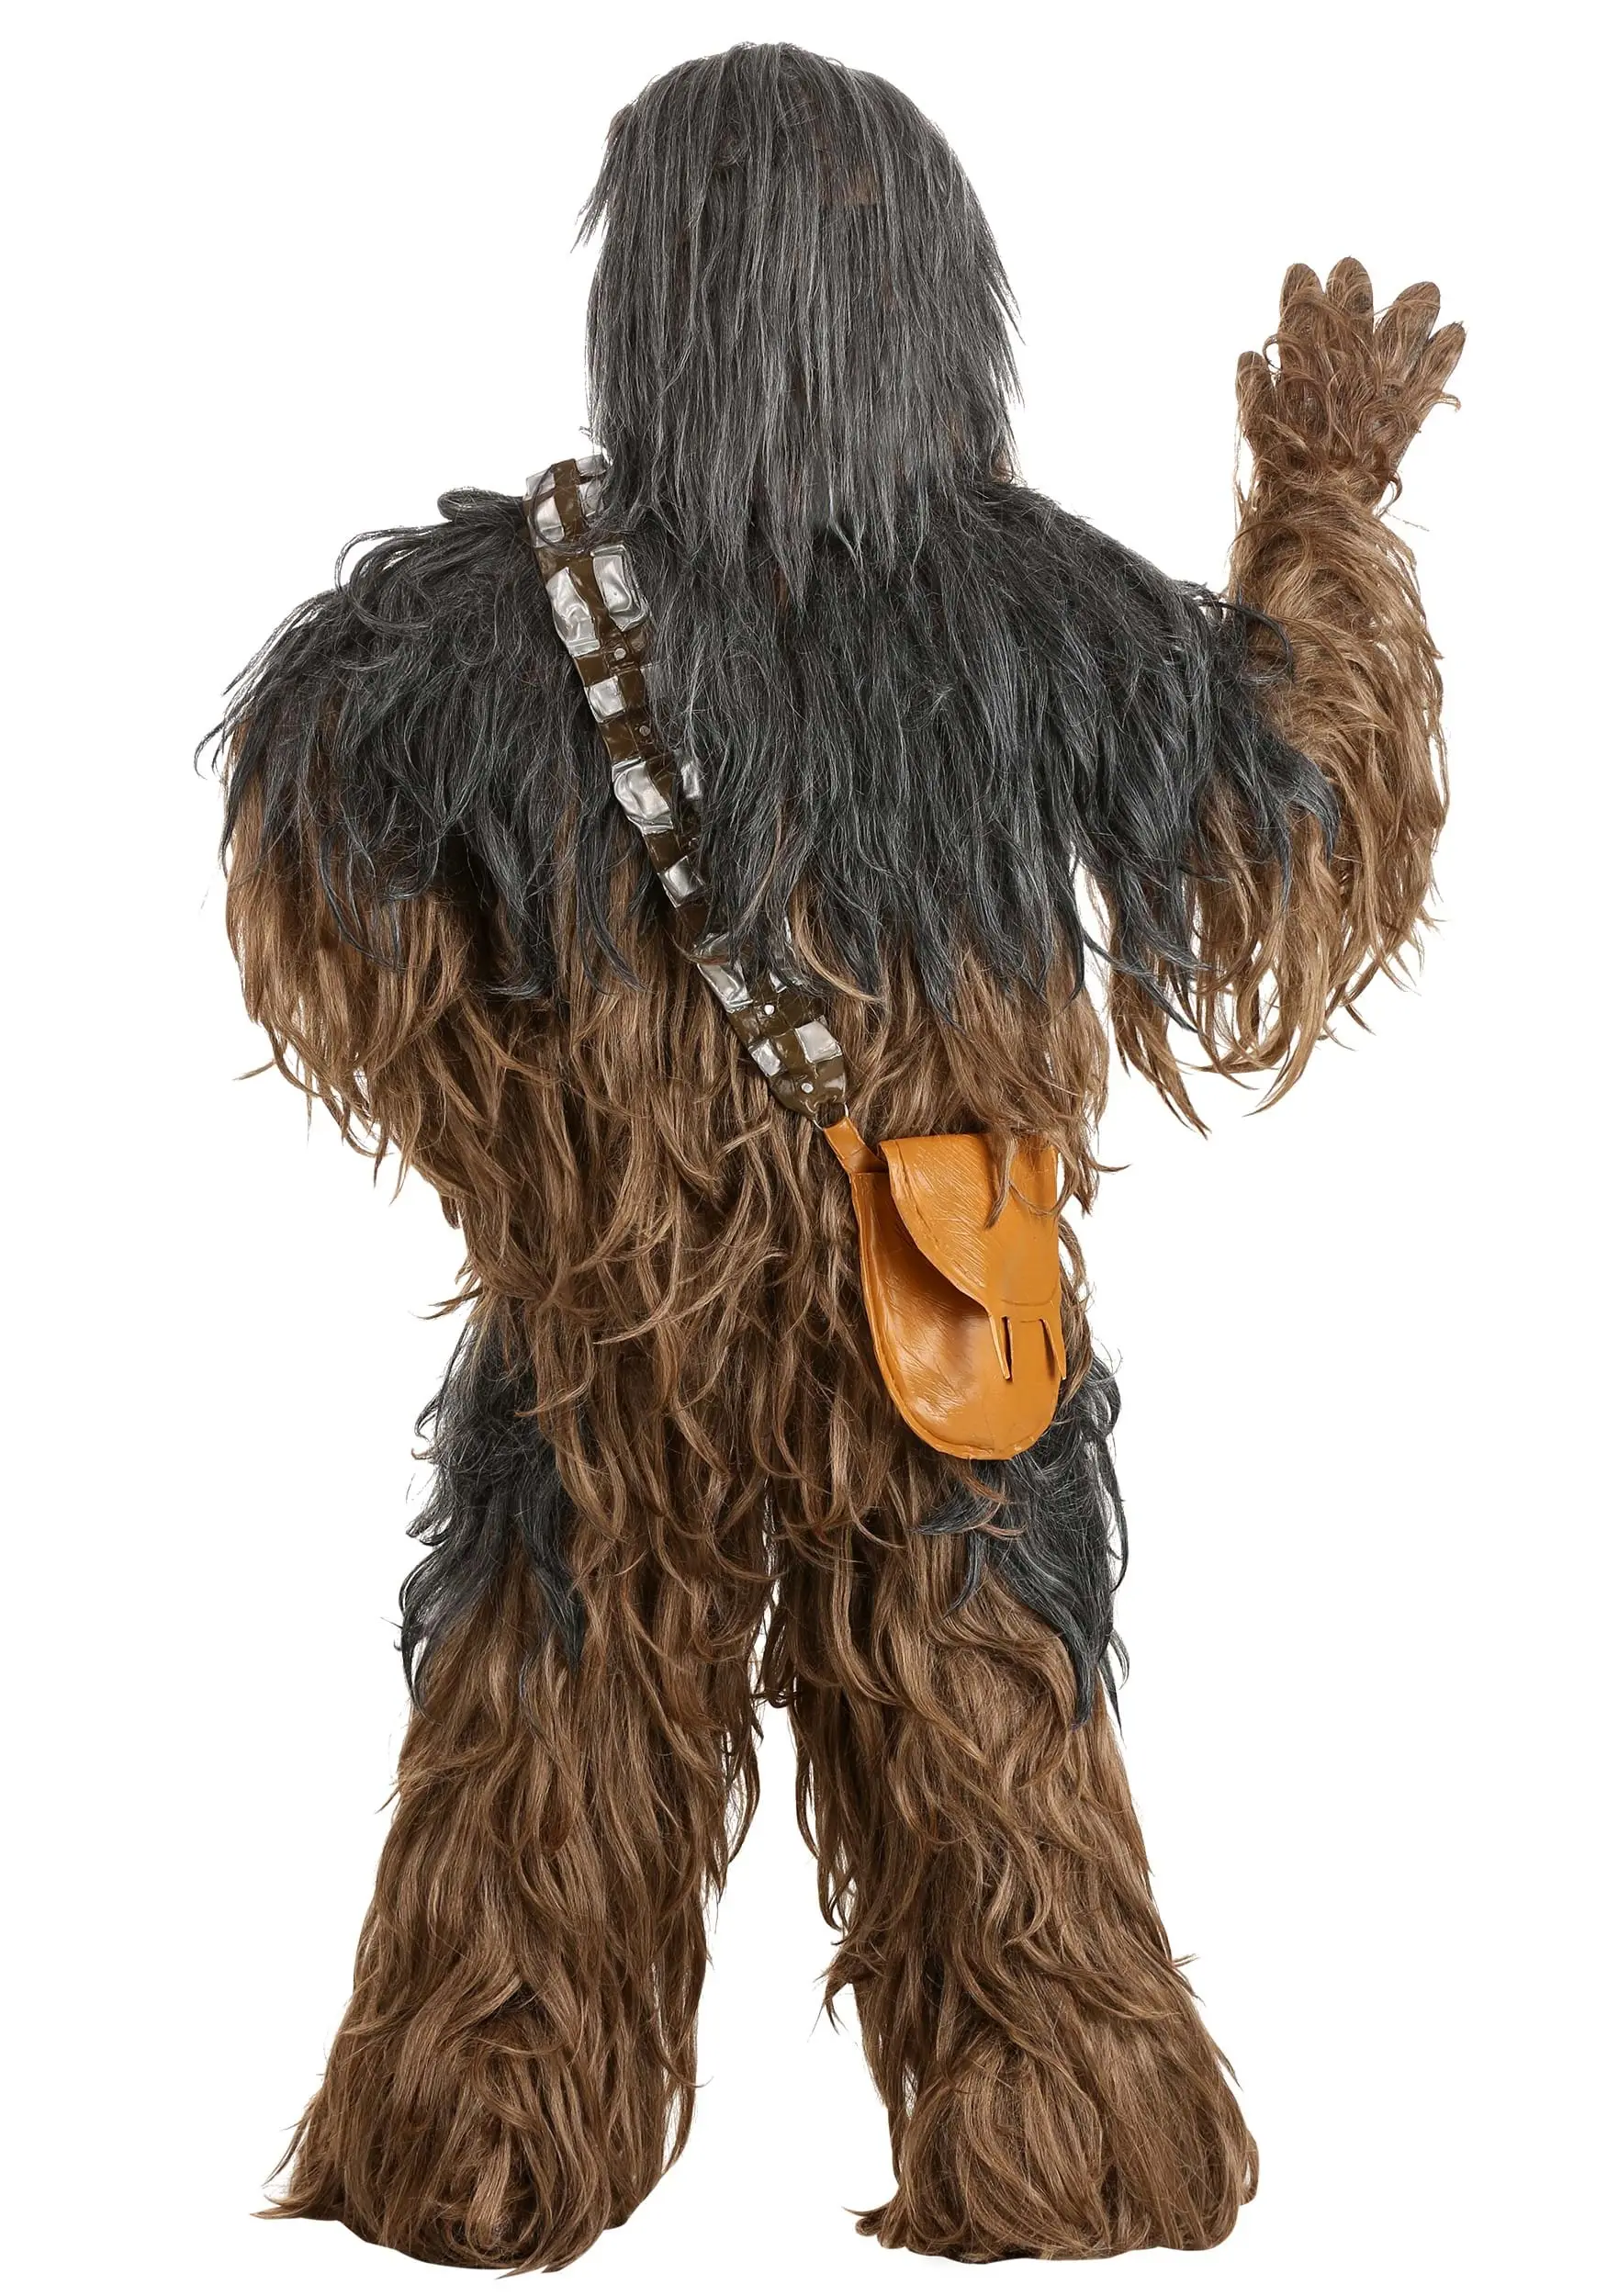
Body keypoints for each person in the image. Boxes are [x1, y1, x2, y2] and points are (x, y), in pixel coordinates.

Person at [216, 39, 1463, 2269]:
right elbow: (1293, 812)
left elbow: (312, 844)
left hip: (615, 1325)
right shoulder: (1034, 608)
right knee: (991, 1731)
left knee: (547, 1724)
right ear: (935, 303)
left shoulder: (499, 613)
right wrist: (1321, 503)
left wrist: (545, 1148)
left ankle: (477, 2149)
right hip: (934, 1295)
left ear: (651, 293)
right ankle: (1061, 2142)